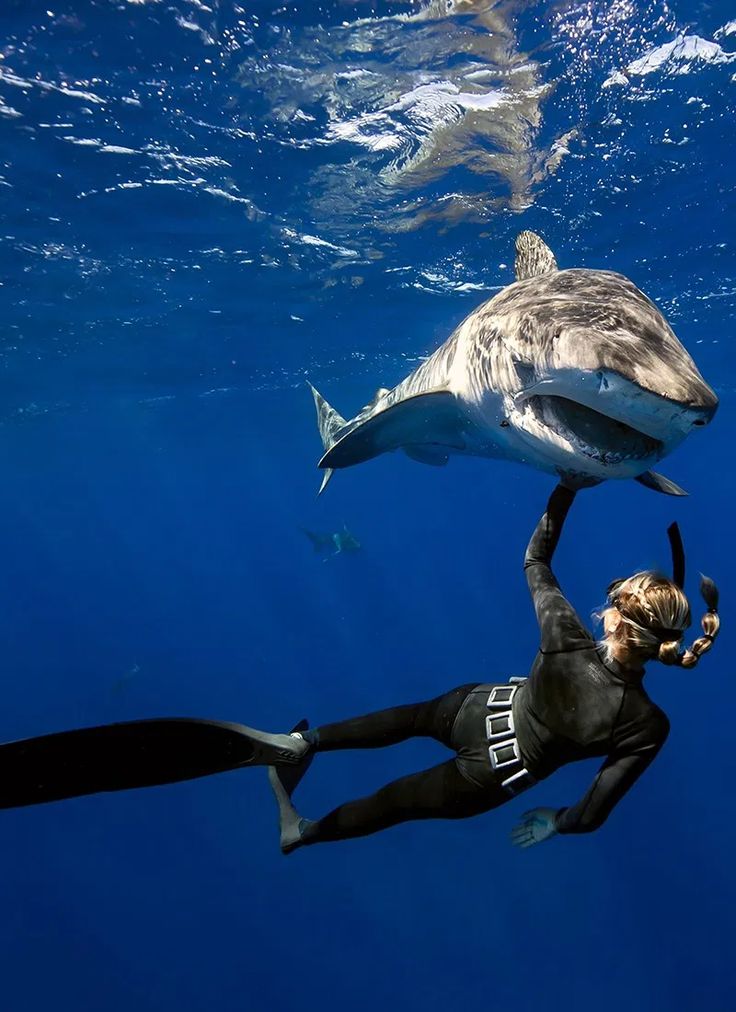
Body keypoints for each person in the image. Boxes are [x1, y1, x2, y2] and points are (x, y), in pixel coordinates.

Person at [267, 484, 720, 853]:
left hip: (476, 708)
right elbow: (589, 816)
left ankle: (302, 742)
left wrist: (568, 485)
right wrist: (556, 822)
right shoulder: (646, 725)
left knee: (406, 720)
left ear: (615, 617)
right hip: (491, 776)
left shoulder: (567, 637)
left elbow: (536, 560)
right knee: (391, 804)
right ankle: (301, 832)